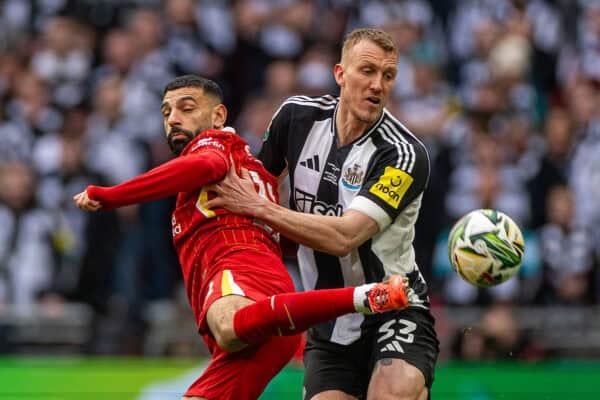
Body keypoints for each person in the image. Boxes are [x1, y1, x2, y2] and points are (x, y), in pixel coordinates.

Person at [73, 74, 411, 400]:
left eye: (186, 108)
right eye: (166, 112)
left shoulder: (215, 145)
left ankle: (364, 297)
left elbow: (202, 166)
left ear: (218, 115)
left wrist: (110, 195)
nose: (173, 118)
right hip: (274, 312)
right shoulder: (253, 171)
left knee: (228, 326)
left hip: (239, 272)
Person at [205, 28, 440, 400]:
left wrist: (258, 206)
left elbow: (345, 236)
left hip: (393, 306)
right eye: (367, 71)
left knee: (391, 392)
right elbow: (251, 191)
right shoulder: (296, 119)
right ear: (340, 74)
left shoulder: (403, 154)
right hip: (328, 319)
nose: (377, 85)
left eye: (388, 76)